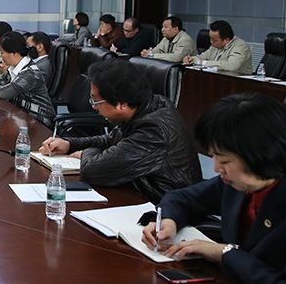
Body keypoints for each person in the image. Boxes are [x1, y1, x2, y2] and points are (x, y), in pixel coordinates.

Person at [142, 93, 286, 284]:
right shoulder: (240, 182)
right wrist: (169, 221)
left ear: (259, 155)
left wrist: (223, 252)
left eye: (223, 161)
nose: (215, 169)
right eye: (213, 157)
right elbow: (183, 198)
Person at [40, 59, 201, 203]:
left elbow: (93, 171)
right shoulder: (146, 106)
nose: (94, 107)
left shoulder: (154, 130)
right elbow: (111, 139)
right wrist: (69, 144)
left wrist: (86, 152)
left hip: (161, 208)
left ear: (121, 104)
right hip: (136, 191)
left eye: (96, 101)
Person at [0, 32, 55, 127]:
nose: (1, 56)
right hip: (21, 115)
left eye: (2, 52)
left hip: (39, 120)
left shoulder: (30, 73)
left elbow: (7, 92)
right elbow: (2, 79)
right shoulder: (14, 67)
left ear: (14, 53)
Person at [183, 19, 252, 75]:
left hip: (238, 82)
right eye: (210, 38)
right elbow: (203, 57)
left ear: (226, 40)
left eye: (214, 40)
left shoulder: (241, 46)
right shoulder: (215, 45)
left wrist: (204, 63)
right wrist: (192, 59)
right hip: (216, 79)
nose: (211, 42)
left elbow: (232, 65)